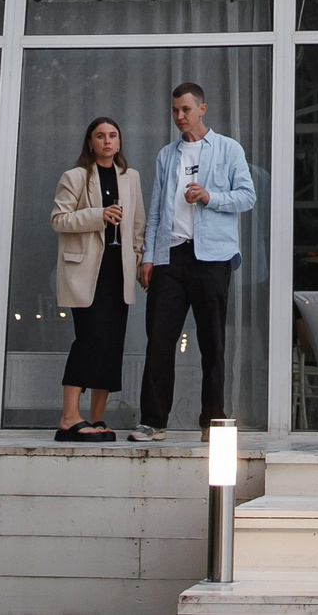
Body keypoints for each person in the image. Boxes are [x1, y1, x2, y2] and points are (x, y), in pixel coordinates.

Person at [133, 83, 258, 443]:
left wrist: (209, 196)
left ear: (202, 109)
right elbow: (156, 208)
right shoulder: (166, 155)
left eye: (186, 109)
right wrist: (148, 256)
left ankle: (213, 420)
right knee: (159, 340)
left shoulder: (228, 149)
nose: (179, 116)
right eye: (175, 110)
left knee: (212, 342)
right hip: (170, 255)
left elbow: (247, 196)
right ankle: (153, 420)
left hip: (212, 257)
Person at [50, 117, 143, 441]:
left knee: (112, 343)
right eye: (100, 136)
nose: (107, 141)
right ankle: (69, 417)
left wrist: (140, 261)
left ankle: (97, 418)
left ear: (119, 142)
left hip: (119, 271)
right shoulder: (75, 176)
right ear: (90, 143)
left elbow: (138, 225)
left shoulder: (130, 177)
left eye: (112, 135)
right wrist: (98, 215)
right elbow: (58, 219)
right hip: (86, 271)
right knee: (89, 339)